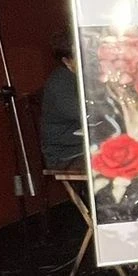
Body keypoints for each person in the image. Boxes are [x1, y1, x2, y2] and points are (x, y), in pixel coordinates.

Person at [40, 31, 84, 171]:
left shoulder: (82, 77)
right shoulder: (60, 83)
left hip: (84, 148)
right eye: (80, 55)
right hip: (66, 155)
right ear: (67, 61)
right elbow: (85, 113)